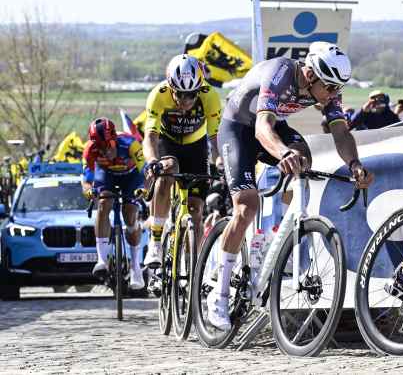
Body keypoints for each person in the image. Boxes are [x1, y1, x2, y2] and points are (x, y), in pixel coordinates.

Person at [207, 41, 374, 330]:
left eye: (337, 89)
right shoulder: (280, 72)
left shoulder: (326, 87)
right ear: (311, 76)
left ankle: (275, 240)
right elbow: (262, 129)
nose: (334, 95)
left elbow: (341, 132)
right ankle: (219, 294)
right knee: (247, 206)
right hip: (239, 129)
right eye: (331, 88)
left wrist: (355, 164)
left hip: (273, 127)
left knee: (303, 159)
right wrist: (282, 152)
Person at [142, 54, 222, 268]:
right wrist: (152, 161)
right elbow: (150, 136)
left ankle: (193, 270)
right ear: (170, 87)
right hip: (168, 144)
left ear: (199, 89)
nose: (185, 101)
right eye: (180, 94)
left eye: (191, 95)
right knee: (167, 169)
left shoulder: (210, 96)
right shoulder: (158, 95)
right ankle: (156, 242)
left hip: (196, 148)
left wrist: (221, 164)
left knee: (196, 211)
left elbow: (215, 139)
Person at [81, 118, 146, 290]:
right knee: (103, 204)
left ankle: (135, 268)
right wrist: (88, 191)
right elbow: (87, 180)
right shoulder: (90, 150)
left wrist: (144, 191)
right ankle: (102, 259)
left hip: (132, 176)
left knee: (130, 213)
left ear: (114, 139)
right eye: (100, 147)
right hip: (107, 175)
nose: (104, 151)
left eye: (107, 146)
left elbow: (146, 174)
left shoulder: (131, 145)